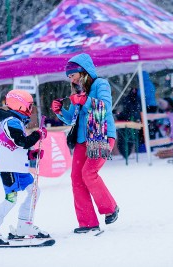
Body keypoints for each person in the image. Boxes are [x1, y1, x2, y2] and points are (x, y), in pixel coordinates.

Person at [51, 53, 119, 234]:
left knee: (89, 173)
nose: (70, 79)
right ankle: (87, 222)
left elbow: (104, 108)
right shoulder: (77, 91)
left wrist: (85, 100)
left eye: (72, 75)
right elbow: (72, 118)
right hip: (82, 140)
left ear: (83, 72)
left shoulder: (100, 84)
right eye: (68, 77)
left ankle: (110, 208)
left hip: (101, 136)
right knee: (76, 178)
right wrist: (59, 112)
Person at [0, 89, 49, 244]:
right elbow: (21, 141)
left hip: (18, 167)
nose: (30, 110)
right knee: (11, 199)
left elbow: (17, 148)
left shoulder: (16, 121)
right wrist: (37, 135)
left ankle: (24, 225)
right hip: (9, 168)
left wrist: (31, 154)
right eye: (29, 107)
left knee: (34, 191)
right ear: (20, 106)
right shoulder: (11, 121)